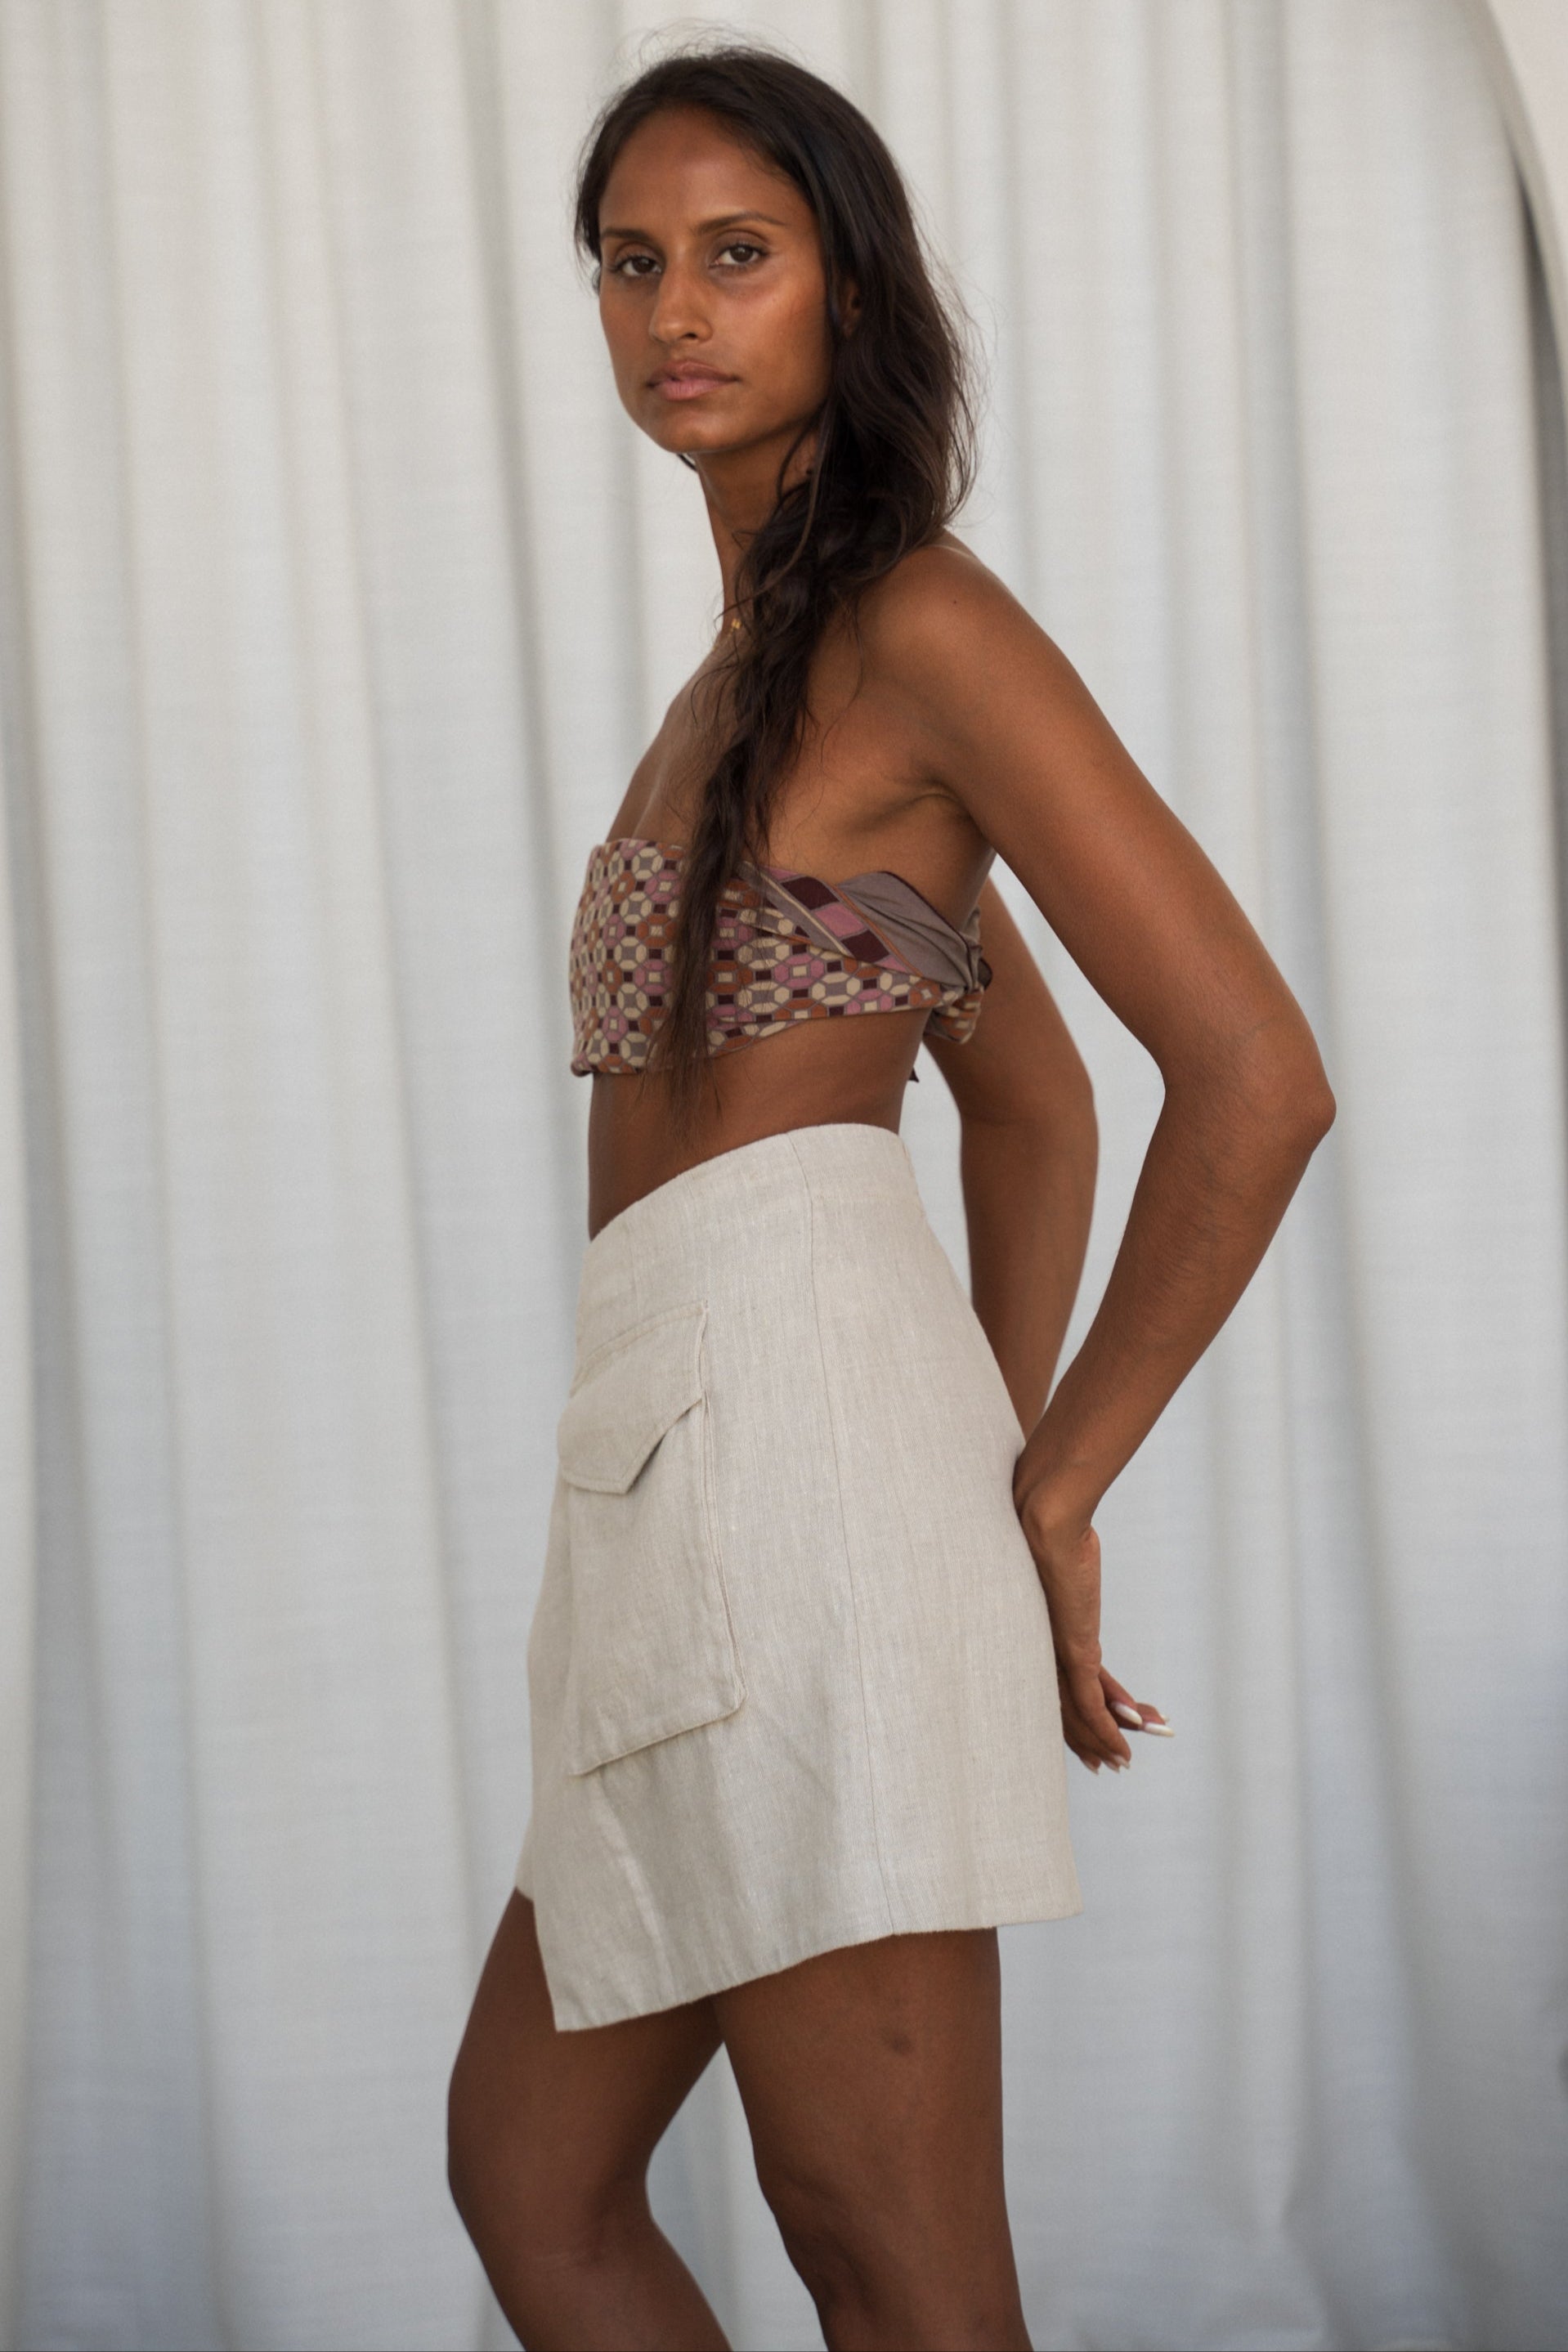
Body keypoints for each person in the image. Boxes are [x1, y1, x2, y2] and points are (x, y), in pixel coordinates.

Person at [447, 42, 1333, 2352]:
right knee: (533, 2183)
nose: (674, 309)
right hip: (666, 1465)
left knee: (887, 2251)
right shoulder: (743, 674)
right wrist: (991, 1453)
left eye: (737, 254)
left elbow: (1254, 1076)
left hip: (801, 1447)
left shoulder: (925, 625)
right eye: (631, 261)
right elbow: (1026, 1103)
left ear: (851, 288)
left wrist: (1043, 1481)